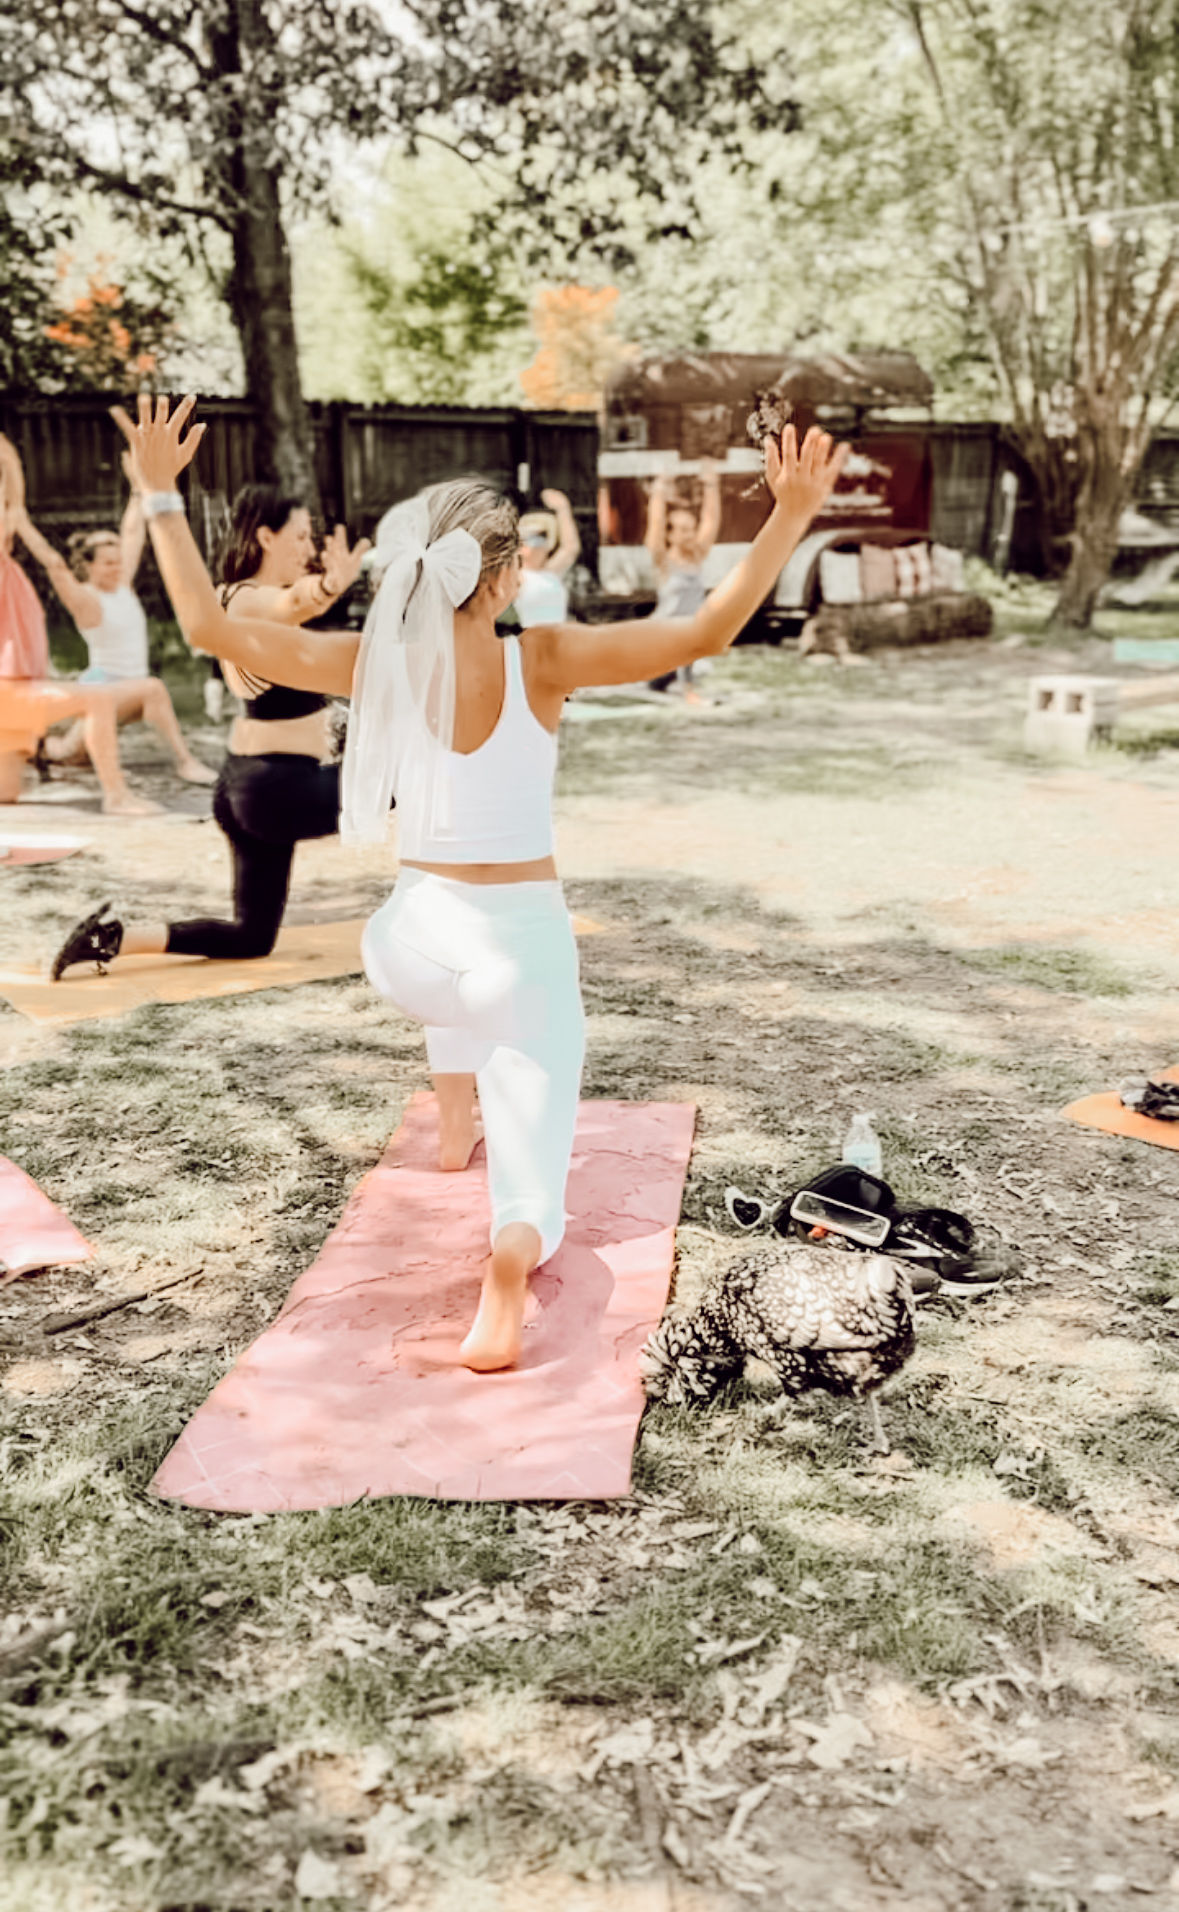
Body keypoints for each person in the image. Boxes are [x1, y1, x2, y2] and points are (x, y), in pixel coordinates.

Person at [107, 393, 846, 1375]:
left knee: (459, 994)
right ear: (505, 577)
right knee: (532, 1157)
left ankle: (458, 1114)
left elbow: (205, 622)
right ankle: (508, 1266)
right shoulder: (543, 657)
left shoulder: (374, 665)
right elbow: (705, 632)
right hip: (519, 943)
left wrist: (160, 495)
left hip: (406, 945)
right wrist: (789, 513)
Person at [49, 481, 370, 979]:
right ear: (266, 537)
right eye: (301, 536)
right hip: (278, 789)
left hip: (246, 786)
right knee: (414, 775)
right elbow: (292, 607)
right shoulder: (248, 601)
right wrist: (329, 585)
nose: (309, 548)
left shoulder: (227, 597)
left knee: (252, 938)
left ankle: (112, 938)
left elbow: (292, 609)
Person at [12, 475, 217, 789]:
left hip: (127, 694)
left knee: (146, 692)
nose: (118, 566)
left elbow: (134, 531)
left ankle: (40, 746)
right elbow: (55, 565)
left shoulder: (123, 587)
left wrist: (139, 486)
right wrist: (21, 523)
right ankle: (185, 762)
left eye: (118, 561)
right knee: (70, 752)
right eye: (108, 562)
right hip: (103, 689)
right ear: (89, 566)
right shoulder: (85, 599)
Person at [0, 436, 163, 816]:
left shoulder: (11, 567)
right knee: (98, 697)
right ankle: (116, 795)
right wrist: (7, 458)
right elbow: (13, 498)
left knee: (6, 794)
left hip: (16, 693)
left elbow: (15, 501)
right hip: (7, 691)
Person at [644, 461, 722, 693]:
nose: (690, 535)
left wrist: (711, 486)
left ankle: (686, 686)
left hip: (687, 638)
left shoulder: (697, 557)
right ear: (671, 534)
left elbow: (711, 520)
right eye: (684, 530)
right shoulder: (663, 561)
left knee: (696, 666)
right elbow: (656, 525)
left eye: (692, 529)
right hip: (661, 639)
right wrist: (659, 490)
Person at [513, 487, 581, 628]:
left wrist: (563, 509)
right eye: (531, 539)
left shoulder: (550, 573)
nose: (538, 545)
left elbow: (571, 547)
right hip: (534, 642)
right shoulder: (517, 576)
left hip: (559, 640)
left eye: (542, 538)